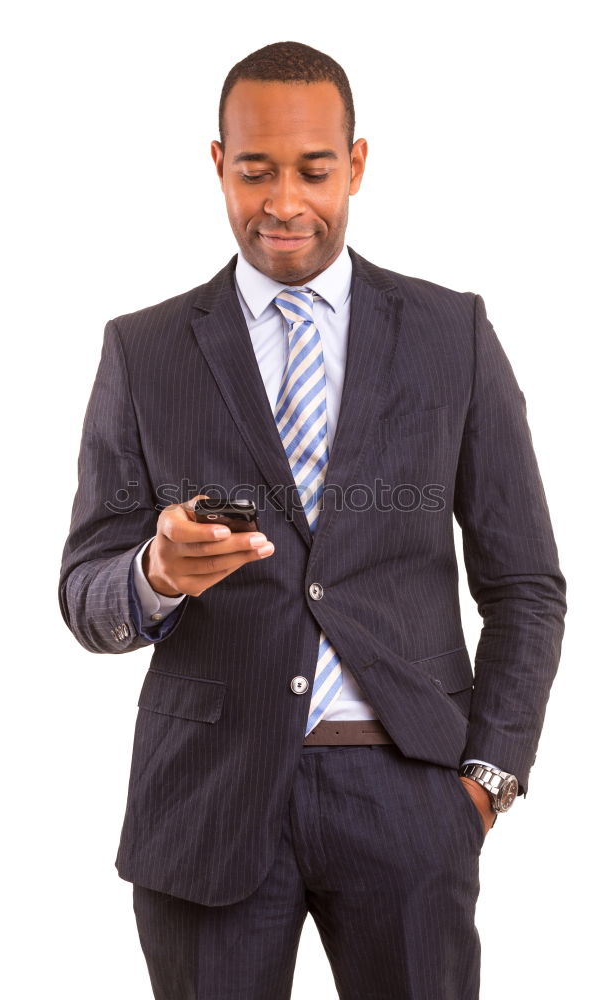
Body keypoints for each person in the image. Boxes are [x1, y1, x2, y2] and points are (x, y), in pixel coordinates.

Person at [59, 41, 566, 1000]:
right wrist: (157, 575)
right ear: (218, 165)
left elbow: (527, 585)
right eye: (255, 171)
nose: (284, 201)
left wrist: (485, 783)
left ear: (357, 165)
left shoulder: (451, 335)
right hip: (204, 803)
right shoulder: (147, 348)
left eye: (313, 170)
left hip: (408, 796)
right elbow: (87, 590)